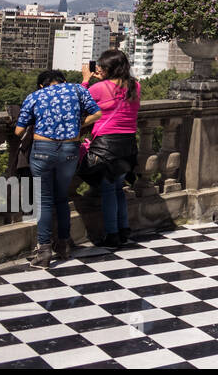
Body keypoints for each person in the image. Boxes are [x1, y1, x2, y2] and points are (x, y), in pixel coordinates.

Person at [15, 70, 101, 268]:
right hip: (70, 149)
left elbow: (19, 130)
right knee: (62, 197)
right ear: (63, 81)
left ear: (42, 85)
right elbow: (97, 113)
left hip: (43, 150)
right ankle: (63, 245)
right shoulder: (78, 90)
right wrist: (78, 124)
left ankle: (44, 251)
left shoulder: (35, 96)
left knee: (44, 200)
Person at [81, 50, 141, 248]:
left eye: (102, 66)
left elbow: (79, 105)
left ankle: (112, 234)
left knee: (108, 190)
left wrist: (86, 80)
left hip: (106, 145)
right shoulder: (135, 86)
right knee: (118, 189)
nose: (99, 69)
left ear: (110, 69)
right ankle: (124, 229)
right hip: (128, 144)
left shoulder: (99, 88)